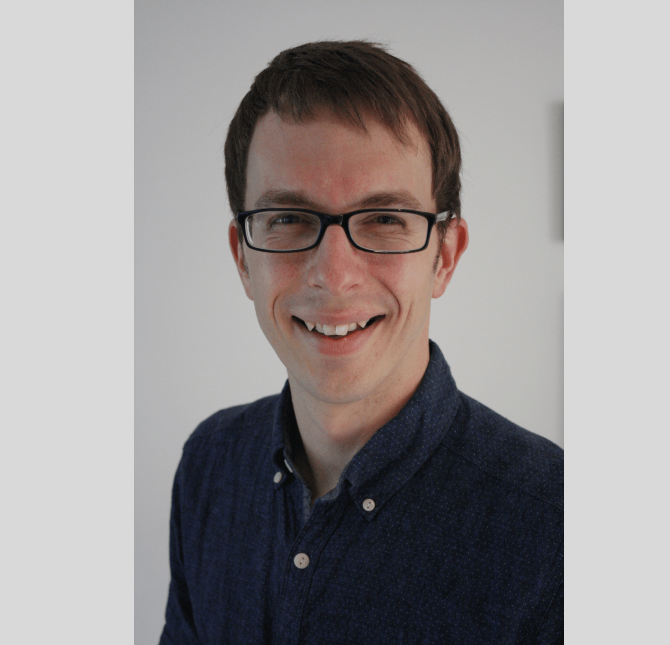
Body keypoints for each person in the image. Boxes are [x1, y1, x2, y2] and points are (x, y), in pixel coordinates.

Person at [160, 40, 562, 644]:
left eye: (384, 219)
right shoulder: (209, 464)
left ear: (445, 257)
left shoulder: (556, 524)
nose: (334, 273)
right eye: (288, 218)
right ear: (243, 260)